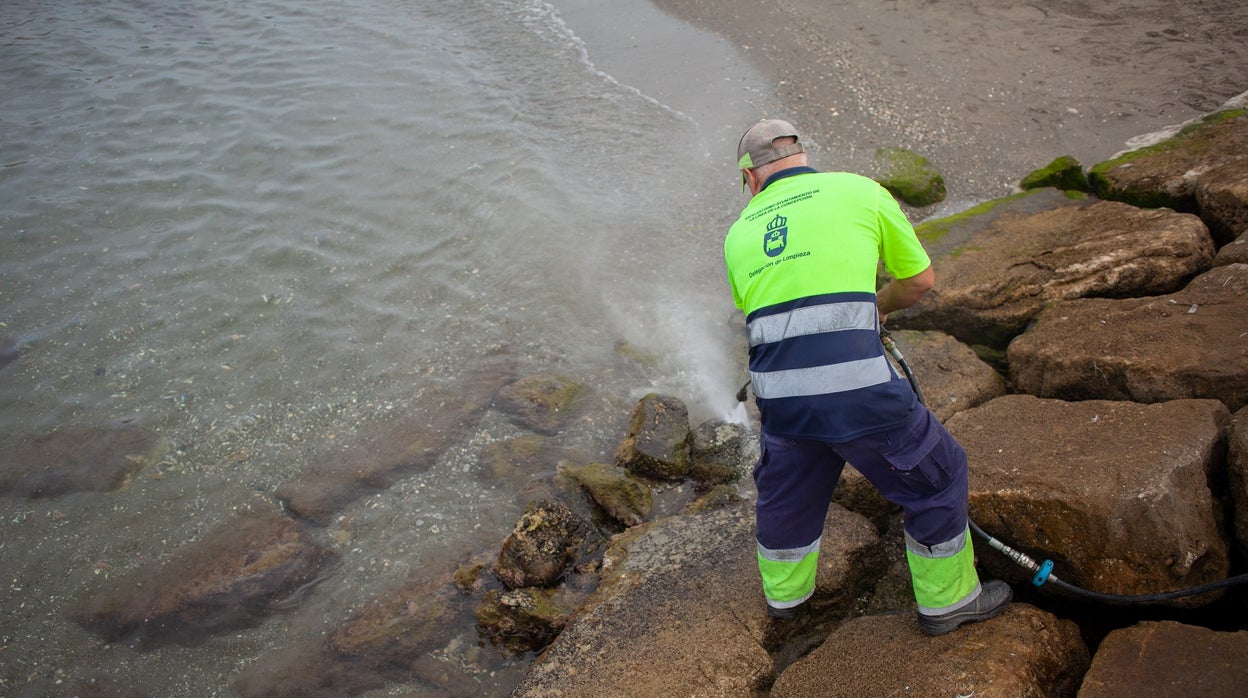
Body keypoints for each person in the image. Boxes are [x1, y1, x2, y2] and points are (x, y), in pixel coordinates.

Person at [723, 118, 1011, 635]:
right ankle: (948, 601)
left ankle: (786, 601)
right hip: (859, 392)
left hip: (780, 401)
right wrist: (877, 305)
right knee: (938, 475)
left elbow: (764, 312)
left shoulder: (740, 233)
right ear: (803, 156)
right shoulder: (859, 190)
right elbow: (919, 281)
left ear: (750, 176)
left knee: (790, 491)